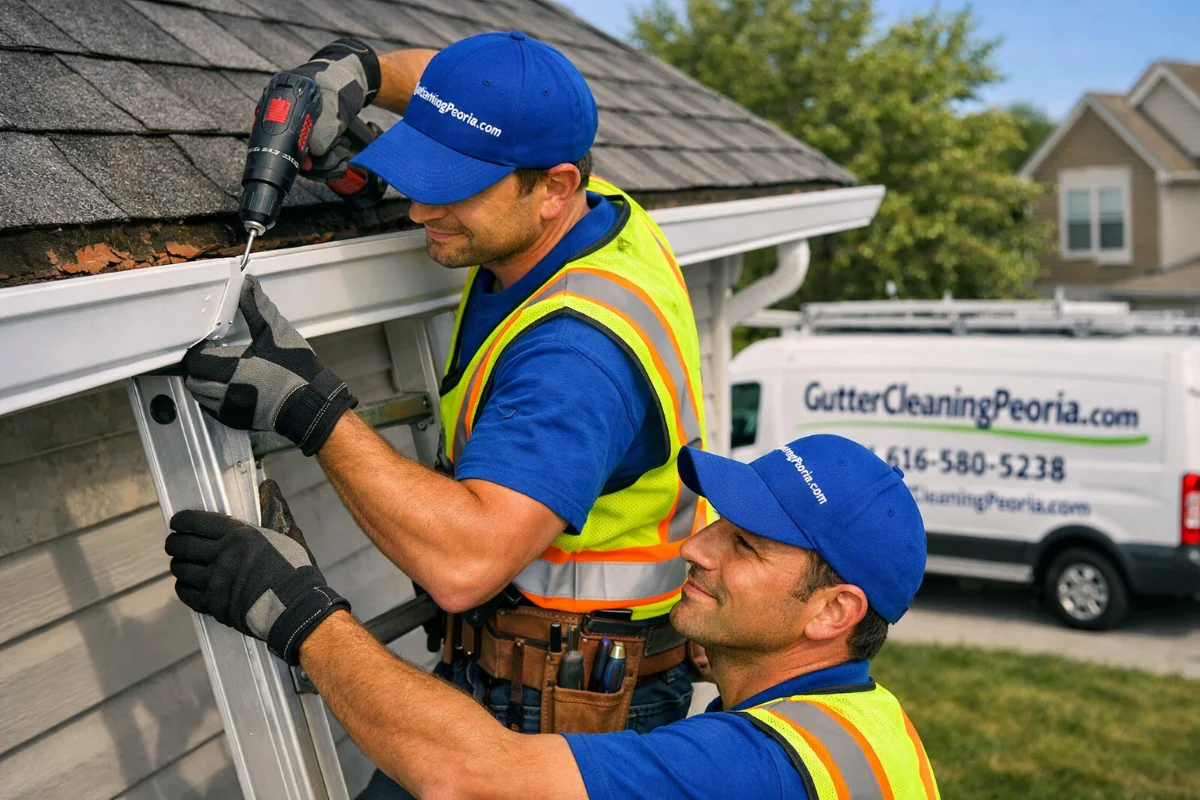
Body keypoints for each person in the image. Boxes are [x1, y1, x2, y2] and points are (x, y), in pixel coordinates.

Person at [180, 28, 711, 790]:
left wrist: (311, 409)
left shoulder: (577, 358)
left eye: (453, 183)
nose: (420, 205)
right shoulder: (586, 212)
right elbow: (477, 92)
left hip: (567, 707)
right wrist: (362, 73)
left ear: (555, 187)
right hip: (524, 663)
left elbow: (465, 562)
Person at [165, 433, 941, 799]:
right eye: (716, 521)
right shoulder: (868, 725)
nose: (698, 547)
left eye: (744, 544)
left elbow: (472, 775)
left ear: (833, 612)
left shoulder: (750, 767)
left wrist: (303, 617)